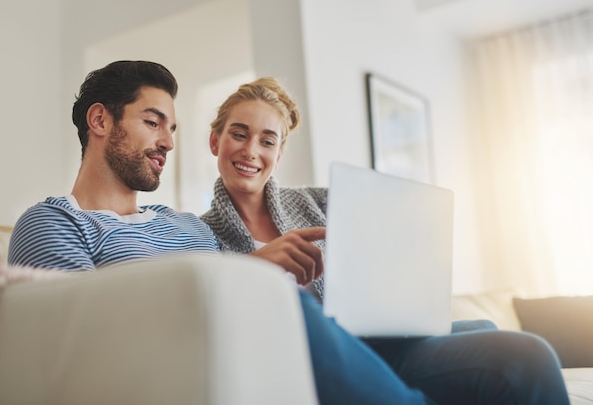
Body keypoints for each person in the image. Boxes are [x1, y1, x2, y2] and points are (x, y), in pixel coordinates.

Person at [8, 61, 569, 405]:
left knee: (522, 355)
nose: (168, 142)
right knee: (283, 303)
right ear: (100, 121)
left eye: (172, 127)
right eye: (153, 122)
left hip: (306, 340)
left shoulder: (182, 226)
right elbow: (75, 343)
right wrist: (256, 271)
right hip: (245, 353)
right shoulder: (55, 221)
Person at [200, 76, 570, 404]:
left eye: (267, 140)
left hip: (376, 343)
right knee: (525, 356)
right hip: (311, 362)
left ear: (278, 155)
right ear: (216, 141)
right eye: (239, 133)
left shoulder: (321, 201)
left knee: (486, 329)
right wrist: (261, 262)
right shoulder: (195, 233)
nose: (251, 150)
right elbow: (205, 310)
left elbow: (382, 257)